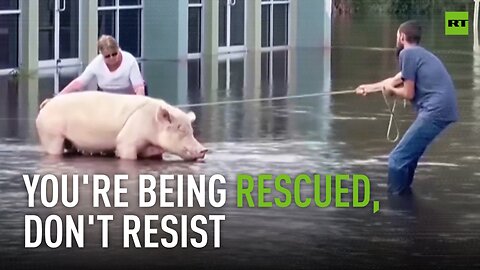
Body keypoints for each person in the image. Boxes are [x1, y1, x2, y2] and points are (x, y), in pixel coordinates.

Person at [355, 20, 458, 195]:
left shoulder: (407, 54)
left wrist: (392, 91)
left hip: (435, 110)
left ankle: (397, 202)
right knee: (409, 158)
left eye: (397, 36)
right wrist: (368, 87)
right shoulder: (420, 55)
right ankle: (405, 204)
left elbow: (408, 93)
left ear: (402, 37)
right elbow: (395, 81)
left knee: (397, 158)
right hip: (444, 110)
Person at [59, 35, 146, 95]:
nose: (112, 58)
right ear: (101, 54)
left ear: (119, 48)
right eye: (107, 56)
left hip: (129, 99)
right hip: (108, 100)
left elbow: (139, 88)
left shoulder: (130, 60)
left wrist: (139, 106)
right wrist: (57, 98)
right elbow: (79, 83)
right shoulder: (97, 63)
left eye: (115, 54)